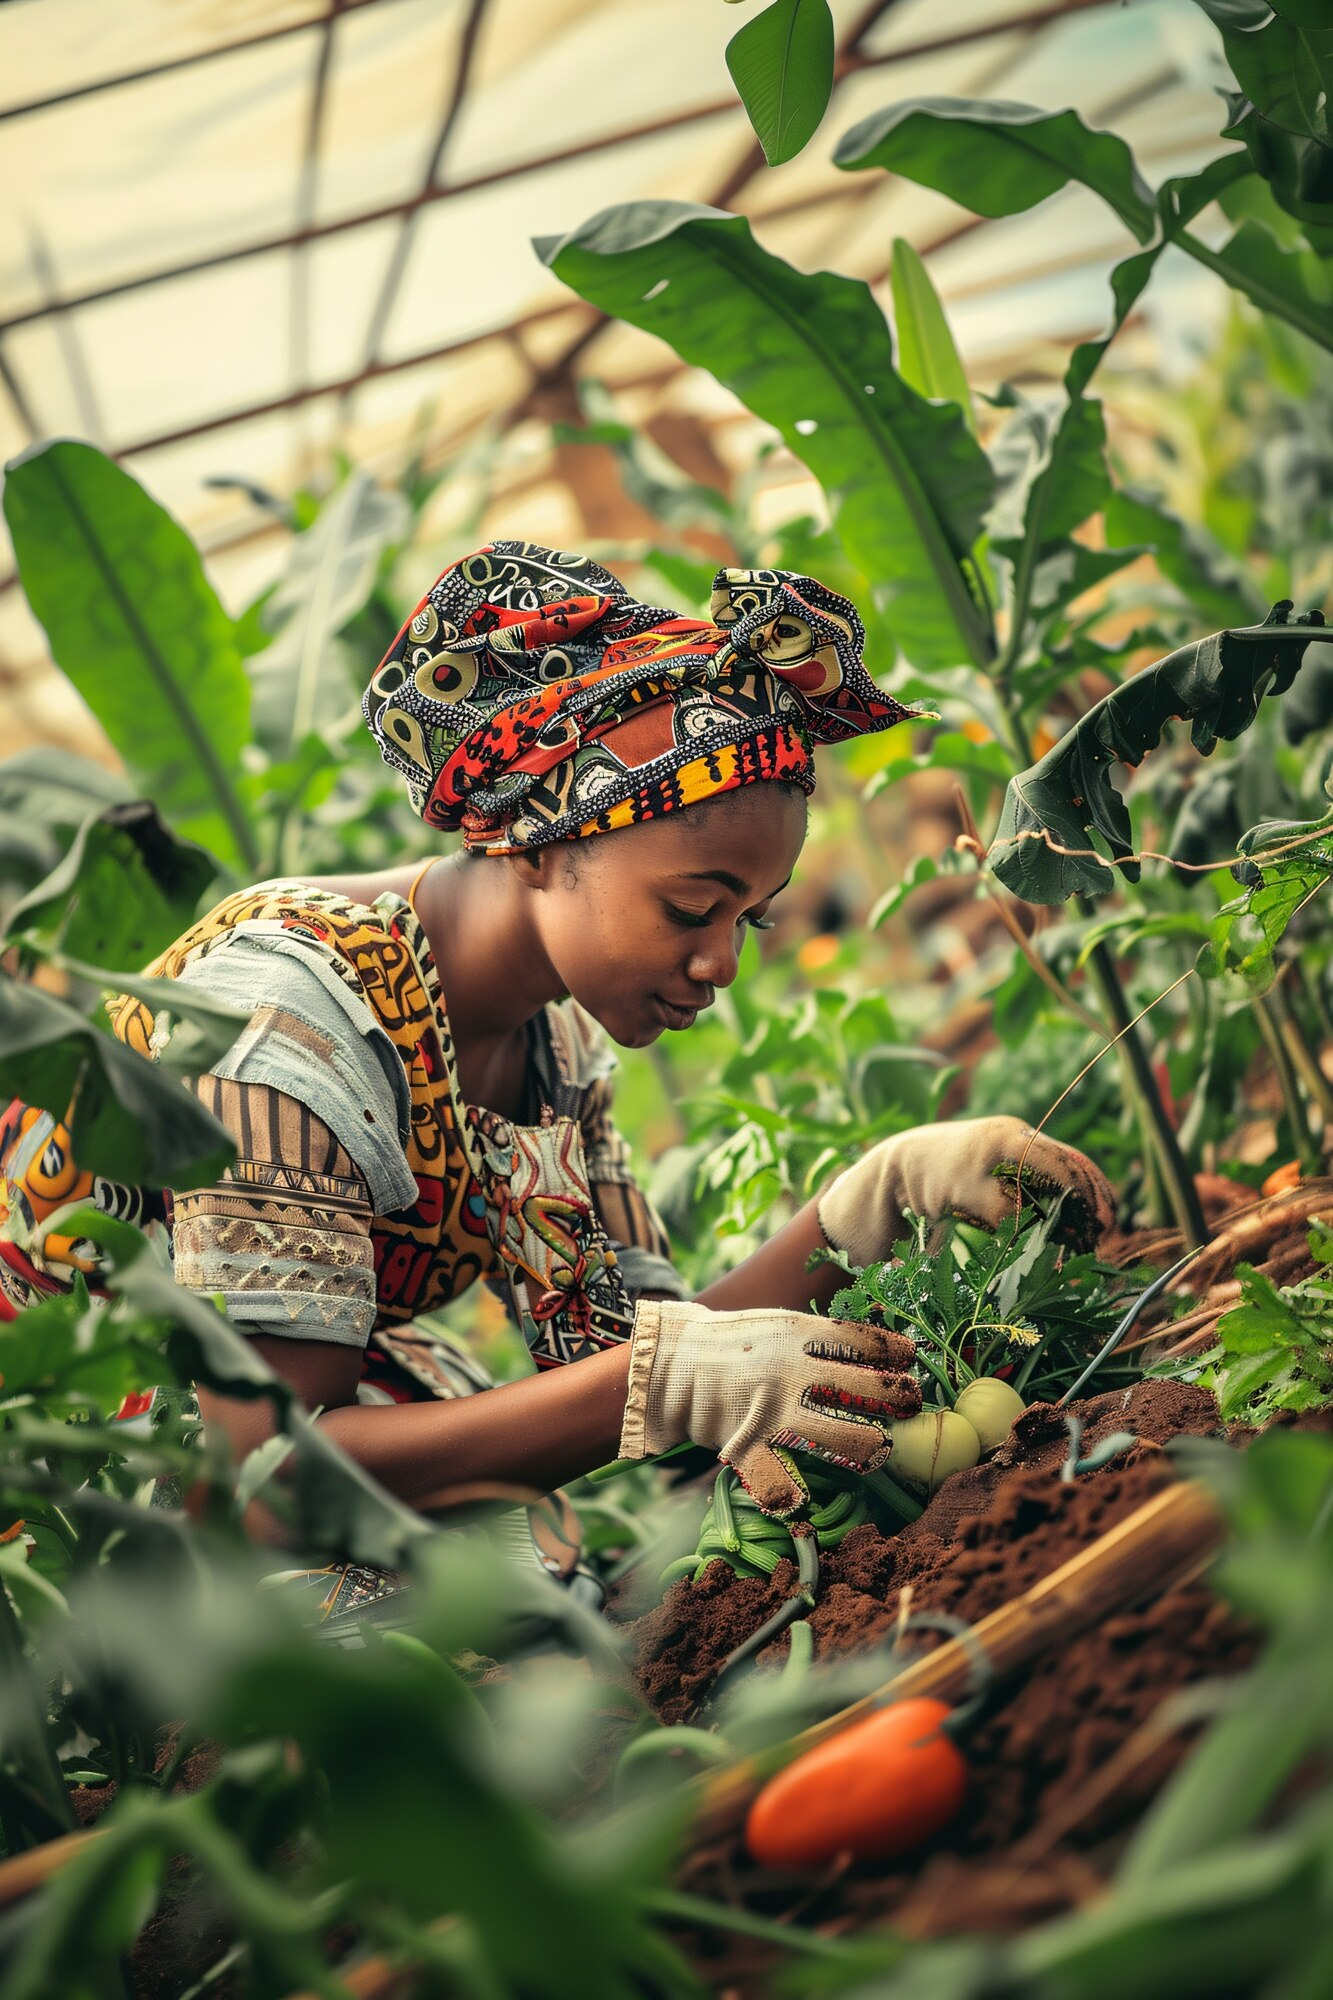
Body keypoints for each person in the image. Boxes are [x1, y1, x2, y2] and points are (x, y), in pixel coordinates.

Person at [1, 542, 1114, 1555]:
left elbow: (636, 1353)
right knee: (415, 1607)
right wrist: (669, 1376)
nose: (724, 962)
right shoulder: (284, 1022)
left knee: (532, 1566)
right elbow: (263, 1477)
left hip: (271, 1410)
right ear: (540, 842)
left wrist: (869, 1203)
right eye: (692, 907)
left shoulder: (554, 1045)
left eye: (752, 917)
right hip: (71, 1463)